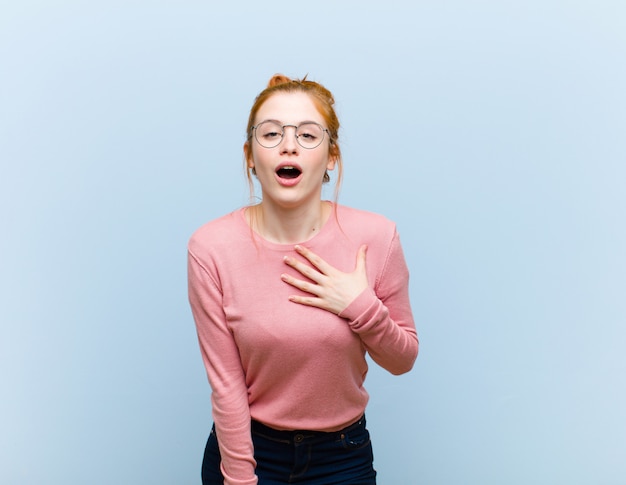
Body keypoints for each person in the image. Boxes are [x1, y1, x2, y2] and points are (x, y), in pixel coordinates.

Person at [187, 74, 418, 485]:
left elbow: (403, 360)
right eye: (271, 133)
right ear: (249, 156)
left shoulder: (377, 236)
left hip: (342, 457)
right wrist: (240, 478)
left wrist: (359, 305)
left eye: (308, 135)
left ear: (331, 157)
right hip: (249, 452)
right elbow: (226, 385)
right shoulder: (211, 248)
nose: (289, 144)